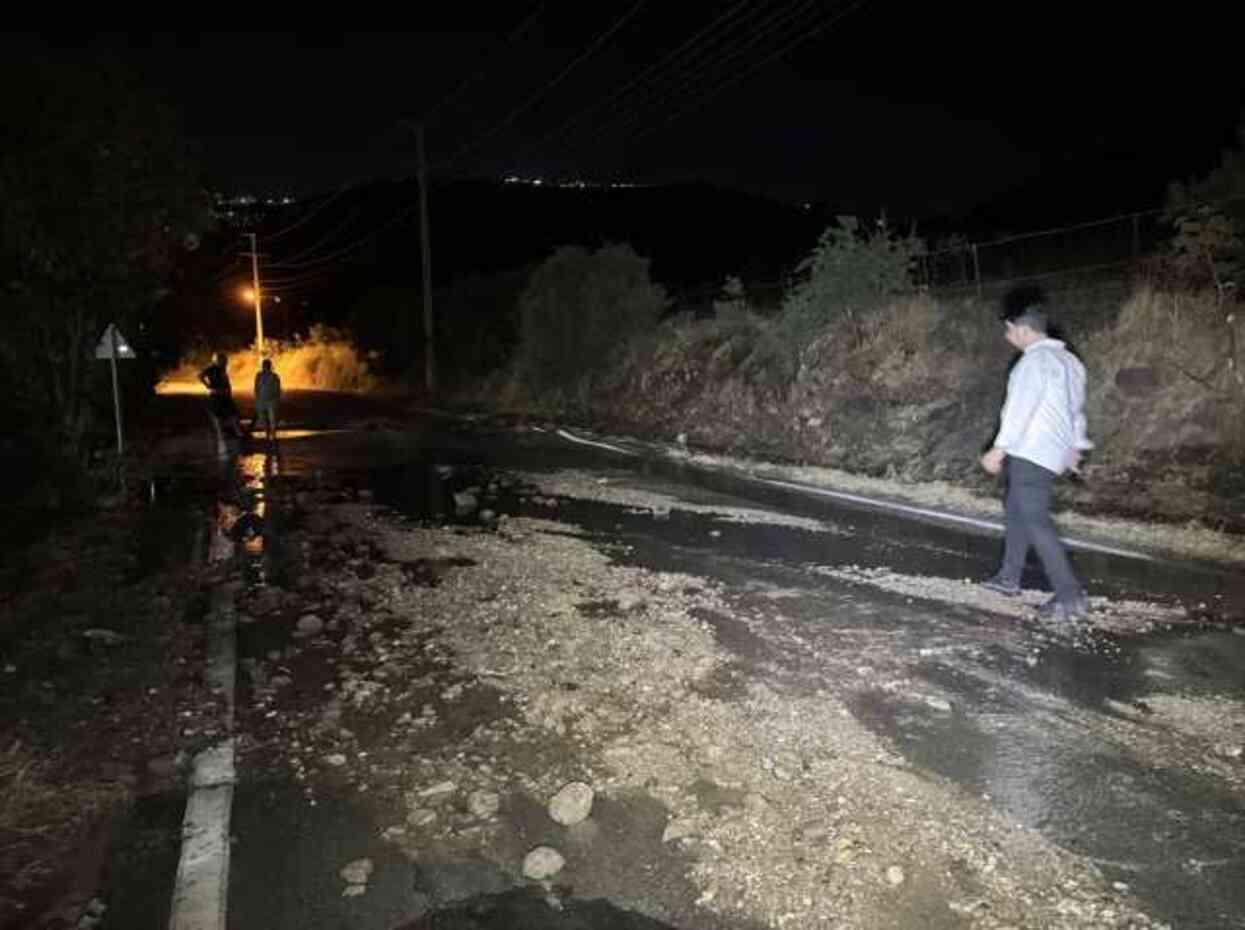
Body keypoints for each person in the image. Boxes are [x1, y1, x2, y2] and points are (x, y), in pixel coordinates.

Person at [979, 288, 1093, 622]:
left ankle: (1070, 596)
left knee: (1035, 519)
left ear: (1023, 329)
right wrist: (1075, 447)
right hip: (1052, 451)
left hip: (1031, 450)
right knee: (1017, 508)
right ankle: (1008, 578)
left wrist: (999, 449)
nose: (1007, 335)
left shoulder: (1033, 363)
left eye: (1009, 328)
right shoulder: (1070, 361)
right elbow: (1075, 409)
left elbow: (1019, 410)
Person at [199, 352, 243, 440]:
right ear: (218, 360)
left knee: (232, 413)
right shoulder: (212, 368)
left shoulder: (221, 368)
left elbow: (225, 382)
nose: (225, 362)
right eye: (223, 360)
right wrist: (207, 385)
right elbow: (200, 375)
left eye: (225, 361)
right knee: (222, 415)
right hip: (217, 395)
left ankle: (236, 432)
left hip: (224, 395)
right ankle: (225, 434)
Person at [253, 358, 282, 443]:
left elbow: (278, 389)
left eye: (267, 366)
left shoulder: (274, 376)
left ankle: (272, 435)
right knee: (264, 418)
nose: (265, 367)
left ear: (269, 367)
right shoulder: (259, 375)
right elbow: (256, 388)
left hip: (271, 401)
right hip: (263, 400)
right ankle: (268, 434)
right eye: (264, 366)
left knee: (272, 419)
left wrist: (276, 399)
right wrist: (257, 398)